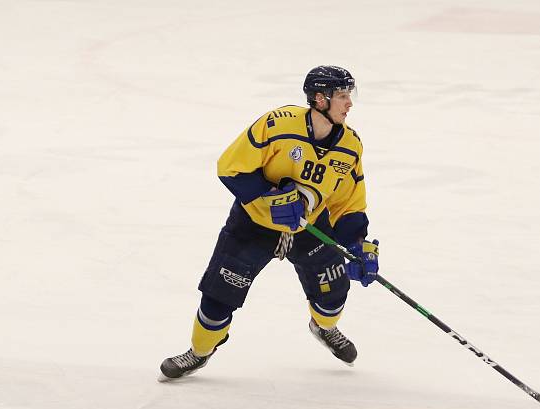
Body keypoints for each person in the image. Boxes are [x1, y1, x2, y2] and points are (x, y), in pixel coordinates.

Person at [159, 65, 379, 380]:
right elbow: (231, 167)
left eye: (349, 95)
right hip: (254, 225)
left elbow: (348, 201)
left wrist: (359, 245)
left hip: (310, 228)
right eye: (342, 96)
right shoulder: (277, 124)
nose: (350, 103)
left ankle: (324, 327)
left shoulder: (350, 146)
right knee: (219, 297)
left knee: (333, 293)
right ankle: (199, 352)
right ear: (319, 99)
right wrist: (272, 198)